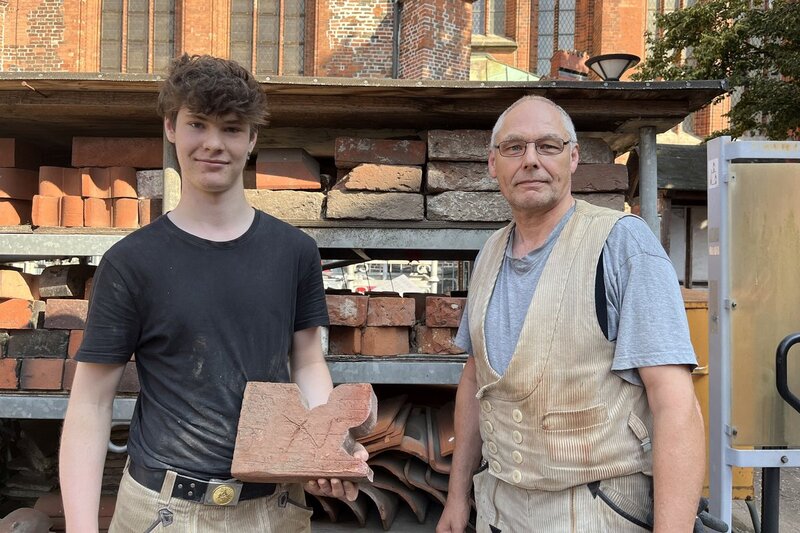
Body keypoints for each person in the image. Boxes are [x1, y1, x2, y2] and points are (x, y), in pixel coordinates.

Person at [59, 54, 365, 532]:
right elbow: (91, 403)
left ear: (253, 138)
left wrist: (324, 445)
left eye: (232, 128)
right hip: (162, 512)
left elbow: (307, 363)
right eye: (197, 124)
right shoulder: (131, 262)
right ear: (171, 127)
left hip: (275, 510)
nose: (214, 144)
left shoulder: (294, 251)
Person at [436, 96, 705, 533]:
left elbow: (675, 405)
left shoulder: (621, 244)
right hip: (499, 510)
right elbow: (474, 380)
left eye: (548, 146)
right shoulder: (489, 253)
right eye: (514, 147)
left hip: (597, 511)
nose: (531, 160)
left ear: (573, 157)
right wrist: (456, 497)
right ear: (492, 164)